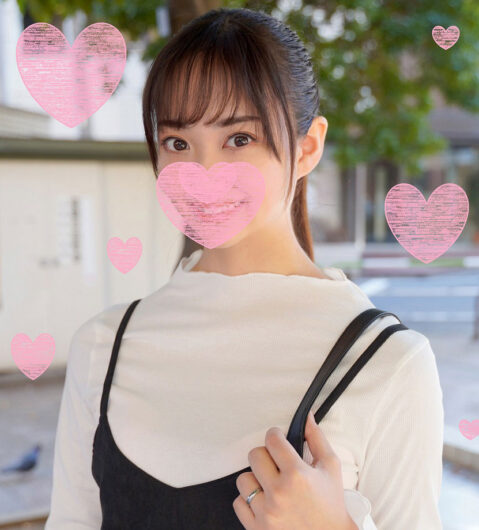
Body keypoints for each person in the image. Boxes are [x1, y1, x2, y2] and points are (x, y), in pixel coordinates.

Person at [45, 7, 444, 530]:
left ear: (308, 147)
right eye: (178, 143)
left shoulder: (387, 363)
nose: (203, 173)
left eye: (239, 139)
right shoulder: (103, 346)